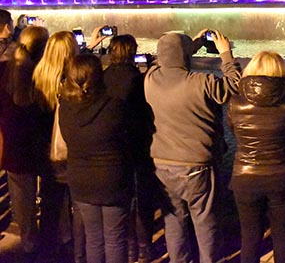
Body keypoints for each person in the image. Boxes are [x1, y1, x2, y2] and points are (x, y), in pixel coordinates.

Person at [144, 30, 241, 263]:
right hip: (197, 167)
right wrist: (226, 54)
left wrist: (192, 45)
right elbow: (235, 85)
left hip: (162, 166)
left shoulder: (150, 78)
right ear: (185, 57)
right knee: (205, 222)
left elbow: (165, 58)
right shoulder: (202, 82)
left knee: (174, 221)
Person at [226, 51, 285, 263]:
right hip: (282, 177)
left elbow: (235, 132)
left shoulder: (235, 102)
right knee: (282, 237)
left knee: (250, 237)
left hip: (245, 177)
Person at [59, 54, 133, 263]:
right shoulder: (114, 106)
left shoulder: (65, 108)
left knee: (93, 239)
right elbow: (127, 140)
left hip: (80, 181)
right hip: (112, 181)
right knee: (115, 239)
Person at [103, 35, 156, 263]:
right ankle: (144, 248)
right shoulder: (140, 80)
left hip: (113, 147)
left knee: (123, 201)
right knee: (143, 199)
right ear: (133, 51)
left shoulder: (102, 77)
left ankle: (130, 247)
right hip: (140, 147)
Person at [0, 25, 49, 259]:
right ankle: (57, 238)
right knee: (52, 192)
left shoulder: (4, 71)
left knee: (21, 198)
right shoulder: (44, 74)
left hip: (14, 145)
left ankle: (30, 242)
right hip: (41, 145)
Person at [32, 31, 81, 260]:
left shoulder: (38, 75)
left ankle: (49, 248)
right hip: (67, 152)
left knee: (51, 203)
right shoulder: (72, 81)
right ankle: (74, 247)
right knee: (77, 203)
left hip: (44, 150)